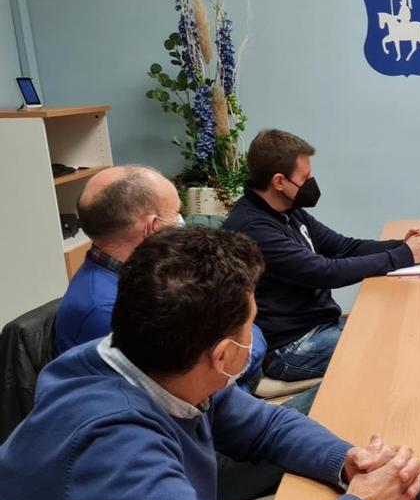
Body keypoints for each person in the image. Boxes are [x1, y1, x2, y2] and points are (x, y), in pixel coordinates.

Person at [0, 227, 420, 500]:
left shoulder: (153, 360)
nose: (253, 334)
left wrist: (348, 461)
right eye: (251, 325)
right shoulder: (111, 448)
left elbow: (268, 426)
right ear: (224, 356)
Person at [223, 129, 420, 382]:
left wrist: (403, 245)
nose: (311, 184)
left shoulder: (287, 209)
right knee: (400, 348)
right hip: (291, 347)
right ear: (279, 182)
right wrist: (403, 255)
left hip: (323, 326)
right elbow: (325, 272)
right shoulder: (253, 228)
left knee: (407, 330)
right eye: (305, 178)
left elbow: (343, 247)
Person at [56, 165, 266, 385]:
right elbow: (216, 373)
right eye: (176, 213)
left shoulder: (150, 277)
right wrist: (245, 331)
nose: (181, 221)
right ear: (153, 228)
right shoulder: (108, 311)